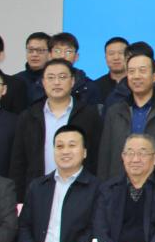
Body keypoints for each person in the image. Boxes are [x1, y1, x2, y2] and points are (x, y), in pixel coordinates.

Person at [8, 58, 103, 203]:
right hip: (37, 192)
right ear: (43, 82)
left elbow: (96, 156)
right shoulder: (28, 116)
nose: (57, 82)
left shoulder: (89, 115)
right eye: (51, 78)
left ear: (72, 81)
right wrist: (18, 199)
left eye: (62, 77)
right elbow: (18, 162)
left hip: (80, 192)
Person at [17, 124, 100, 242]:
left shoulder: (97, 188)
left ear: (84, 152)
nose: (65, 151)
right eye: (60, 146)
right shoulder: (37, 186)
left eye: (72, 145)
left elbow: (94, 231)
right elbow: (24, 226)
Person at [99, 52, 155, 181]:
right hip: (119, 188)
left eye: (142, 70)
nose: (136, 76)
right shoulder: (114, 112)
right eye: (131, 71)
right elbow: (105, 158)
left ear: (154, 77)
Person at [49, 32, 101, 107]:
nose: (62, 56)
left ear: (76, 57)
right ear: (50, 55)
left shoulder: (89, 87)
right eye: (57, 51)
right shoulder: (38, 85)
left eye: (68, 51)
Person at [13, 32, 52, 106]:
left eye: (40, 50)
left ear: (50, 53)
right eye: (30, 50)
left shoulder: (55, 80)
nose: (34, 54)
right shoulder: (15, 80)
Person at [93, 36, 130, 104]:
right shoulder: (95, 87)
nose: (116, 58)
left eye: (121, 53)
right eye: (111, 53)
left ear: (129, 56)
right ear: (105, 57)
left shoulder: (137, 83)